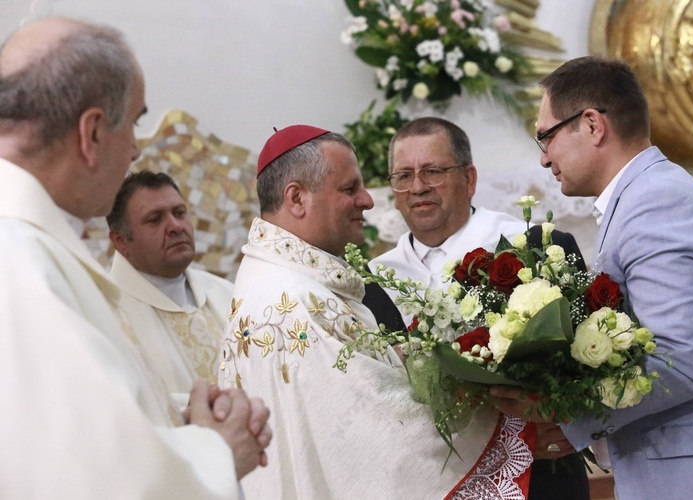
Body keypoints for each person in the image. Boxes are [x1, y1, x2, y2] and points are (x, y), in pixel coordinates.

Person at [0, 17, 270, 498]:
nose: (137, 148)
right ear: (93, 134)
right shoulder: (20, 260)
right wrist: (217, 453)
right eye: (136, 121)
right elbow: (89, 478)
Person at [220, 124, 536, 498]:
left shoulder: (277, 283)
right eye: (350, 188)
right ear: (296, 198)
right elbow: (381, 439)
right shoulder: (294, 302)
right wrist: (513, 414)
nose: (368, 200)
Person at [493, 55, 693, 499]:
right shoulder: (650, 196)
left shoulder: (657, 203)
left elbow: (681, 360)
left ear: (592, 124)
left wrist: (567, 412)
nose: (543, 158)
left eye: (546, 136)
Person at [368, 116, 590, 500]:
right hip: (434, 485)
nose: (417, 187)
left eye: (433, 171)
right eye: (403, 175)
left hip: (542, 478)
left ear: (469, 179)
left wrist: (565, 421)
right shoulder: (374, 284)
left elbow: (587, 365)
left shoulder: (535, 247)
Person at [107, 171, 232, 396]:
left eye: (179, 213)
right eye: (155, 219)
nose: (175, 226)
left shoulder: (228, 293)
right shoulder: (108, 313)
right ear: (121, 241)